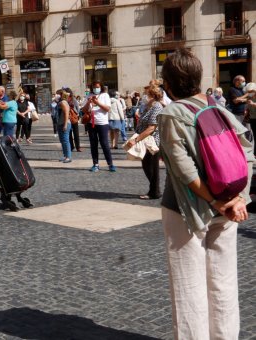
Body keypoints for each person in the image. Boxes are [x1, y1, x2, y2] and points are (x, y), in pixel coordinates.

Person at [158, 48, 253, 340]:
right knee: (223, 282)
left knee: (189, 286)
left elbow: (184, 170)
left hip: (186, 209)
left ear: (169, 84)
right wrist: (238, 199)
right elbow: (248, 153)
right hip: (227, 207)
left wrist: (214, 201)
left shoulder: (171, 114)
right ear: (199, 79)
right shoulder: (218, 107)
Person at [126, 84, 164, 200]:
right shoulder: (150, 106)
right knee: (147, 165)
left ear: (153, 95)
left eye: (147, 94)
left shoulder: (157, 106)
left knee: (151, 167)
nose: (145, 96)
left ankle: (154, 192)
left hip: (152, 141)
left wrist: (136, 139)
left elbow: (152, 127)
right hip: (146, 140)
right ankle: (154, 190)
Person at [82, 81, 116, 172]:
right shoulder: (88, 96)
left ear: (101, 87)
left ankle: (110, 164)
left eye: (97, 87)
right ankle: (95, 164)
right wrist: (88, 102)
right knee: (93, 144)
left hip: (102, 123)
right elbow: (84, 110)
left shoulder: (105, 95)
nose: (95, 89)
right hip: (91, 123)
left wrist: (97, 102)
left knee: (104, 144)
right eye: (94, 87)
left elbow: (107, 109)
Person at [56, 89, 72, 163]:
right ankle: (65, 155)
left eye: (58, 94)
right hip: (60, 123)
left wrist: (65, 124)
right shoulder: (61, 102)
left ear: (62, 94)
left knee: (65, 141)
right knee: (62, 141)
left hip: (64, 123)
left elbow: (66, 113)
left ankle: (68, 157)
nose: (56, 95)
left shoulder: (63, 102)